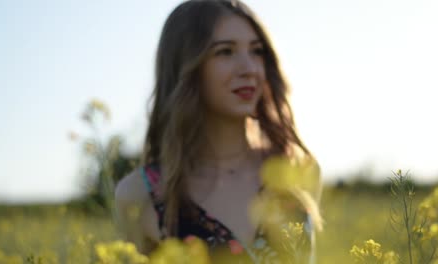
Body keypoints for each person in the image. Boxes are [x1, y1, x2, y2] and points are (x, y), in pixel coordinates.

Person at [115, 0, 323, 263]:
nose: (249, 69)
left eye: (257, 51)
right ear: (186, 66)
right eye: (225, 52)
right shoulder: (139, 195)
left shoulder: (298, 170)